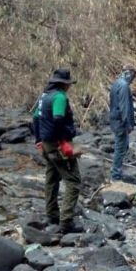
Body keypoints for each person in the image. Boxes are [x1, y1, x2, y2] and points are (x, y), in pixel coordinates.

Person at [33, 68, 83, 234]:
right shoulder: (60, 97)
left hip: (46, 144)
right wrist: (64, 140)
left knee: (52, 178)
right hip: (57, 143)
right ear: (64, 84)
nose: (69, 87)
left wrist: (38, 141)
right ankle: (66, 222)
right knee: (73, 181)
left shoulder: (44, 96)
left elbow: (35, 118)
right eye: (68, 84)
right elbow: (58, 118)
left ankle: (51, 215)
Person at [109, 64, 136, 181]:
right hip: (120, 122)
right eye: (134, 75)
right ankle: (116, 175)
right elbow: (124, 107)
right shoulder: (124, 86)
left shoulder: (116, 83)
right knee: (120, 147)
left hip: (115, 120)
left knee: (122, 146)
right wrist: (128, 125)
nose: (133, 78)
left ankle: (117, 170)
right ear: (129, 73)